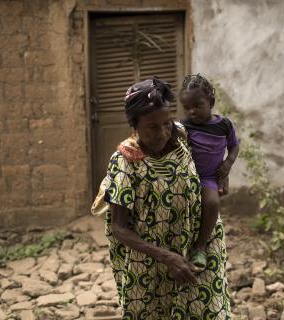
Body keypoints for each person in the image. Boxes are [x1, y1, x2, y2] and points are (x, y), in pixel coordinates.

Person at [102, 77, 231, 319]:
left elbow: (214, 151)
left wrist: (222, 174)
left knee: (209, 309)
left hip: (199, 244)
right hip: (153, 261)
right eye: (152, 127)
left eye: (167, 123)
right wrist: (166, 257)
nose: (162, 132)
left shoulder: (182, 135)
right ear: (135, 125)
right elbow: (118, 228)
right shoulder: (125, 162)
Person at [179, 74, 239, 272]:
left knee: (212, 202)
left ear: (211, 102)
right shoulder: (184, 126)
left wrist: (228, 164)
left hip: (208, 178)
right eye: (187, 107)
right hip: (188, 176)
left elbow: (234, 146)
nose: (192, 111)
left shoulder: (224, 126)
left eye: (198, 105)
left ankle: (201, 247)